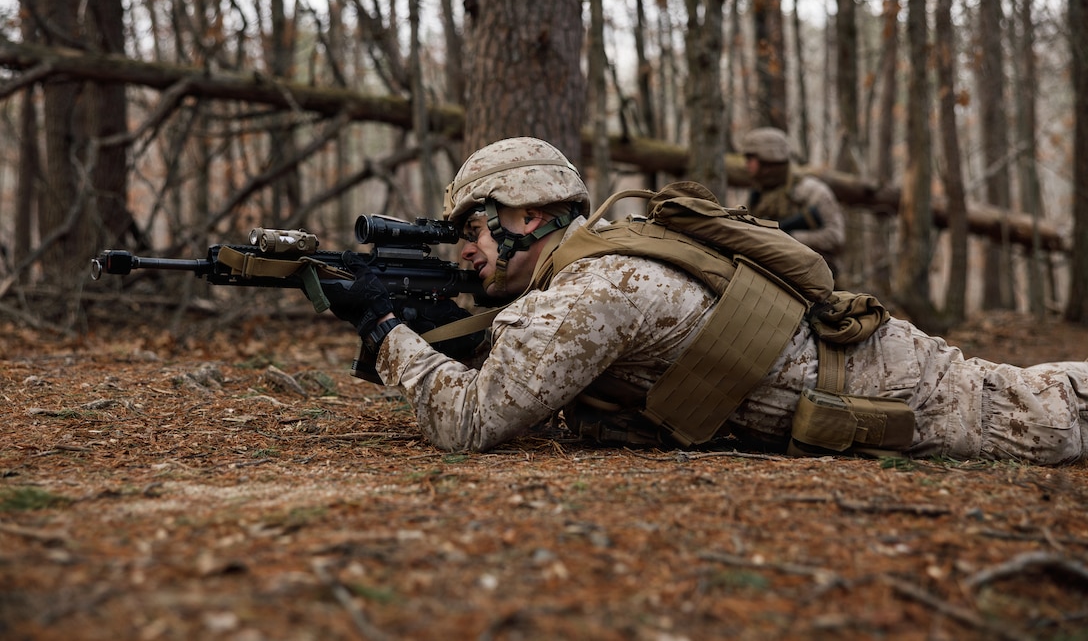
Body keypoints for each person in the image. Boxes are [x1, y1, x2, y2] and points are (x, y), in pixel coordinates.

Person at [336, 136, 1088, 466]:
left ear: (526, 213)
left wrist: (388, 328)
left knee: (1047, 416)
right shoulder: (600, 260)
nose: (466, 250)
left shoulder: (585, 293)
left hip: (890, 392)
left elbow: (469, 422)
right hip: (868, 370)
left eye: (473, 228)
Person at [741, 127, 846, 277]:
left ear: (768, 160)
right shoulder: (756, 196)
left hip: (815, 279)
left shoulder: (812, 191)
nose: (746, 164)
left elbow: (835, 237)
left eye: (750, 159)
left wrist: (790, 238)